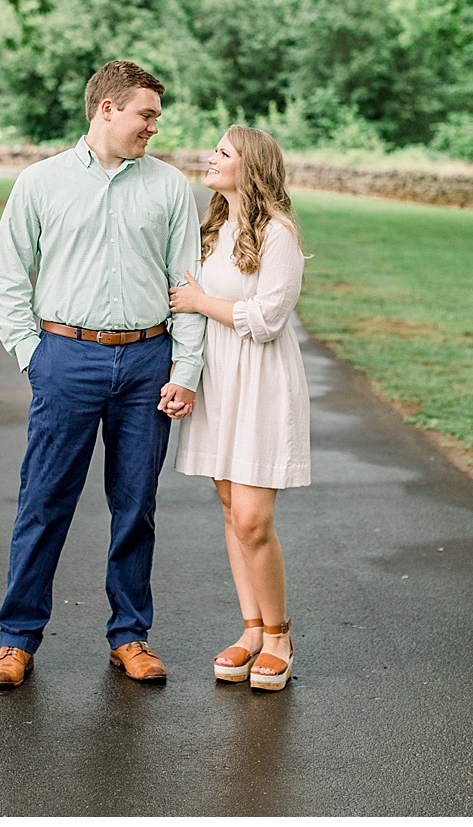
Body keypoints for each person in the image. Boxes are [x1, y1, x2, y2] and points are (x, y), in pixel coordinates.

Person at [0, 59, 205, 689]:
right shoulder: (39, 183)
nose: (153, 128)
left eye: (156, 118)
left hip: (146, 363)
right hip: (65, 358)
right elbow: (8, 279)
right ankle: (16, 641)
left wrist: (185, 367)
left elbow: (184, 283)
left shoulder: (168, 187)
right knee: (44, 502)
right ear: (107, 109)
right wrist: (34, 357)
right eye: (146, 115)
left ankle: (130, 636)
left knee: (135, 505)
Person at [166, 125, 311, 690]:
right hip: (218, 380)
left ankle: (279, 635)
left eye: (222, 153)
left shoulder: (278, 235)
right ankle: (251, 628)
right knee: (229, 509)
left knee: (253, 518)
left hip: (261, 382)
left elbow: (268, 319)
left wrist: (202, 300)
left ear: (249, 166)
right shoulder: (212, 228)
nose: (210, 158)